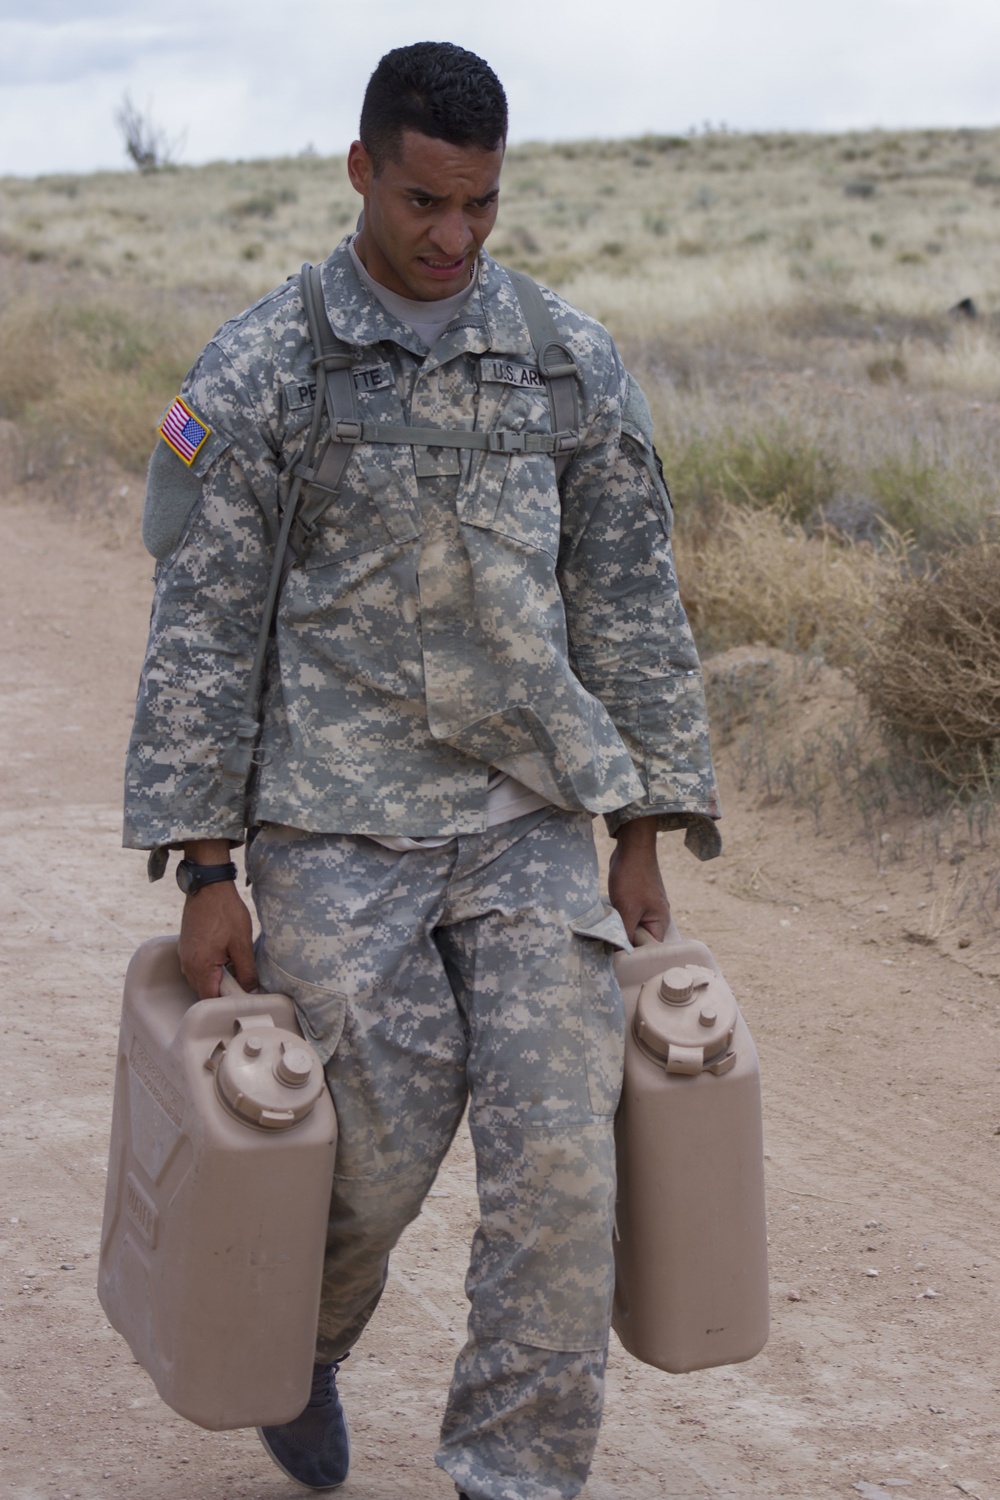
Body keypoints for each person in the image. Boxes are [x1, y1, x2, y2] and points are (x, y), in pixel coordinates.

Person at [124, 40, 721, 1500]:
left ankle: (512, 1476)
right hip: (333, 820)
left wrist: (642, 824)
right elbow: (203, 625)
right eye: (424, 204)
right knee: (369, 1149)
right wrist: (208, 868)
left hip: (524, 817)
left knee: (563, 1169)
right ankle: (301, 1343)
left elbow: (630, 600)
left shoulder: (565, 359)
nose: (453, 239)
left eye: (483, 208)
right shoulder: (267, 366)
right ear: (362, 172)